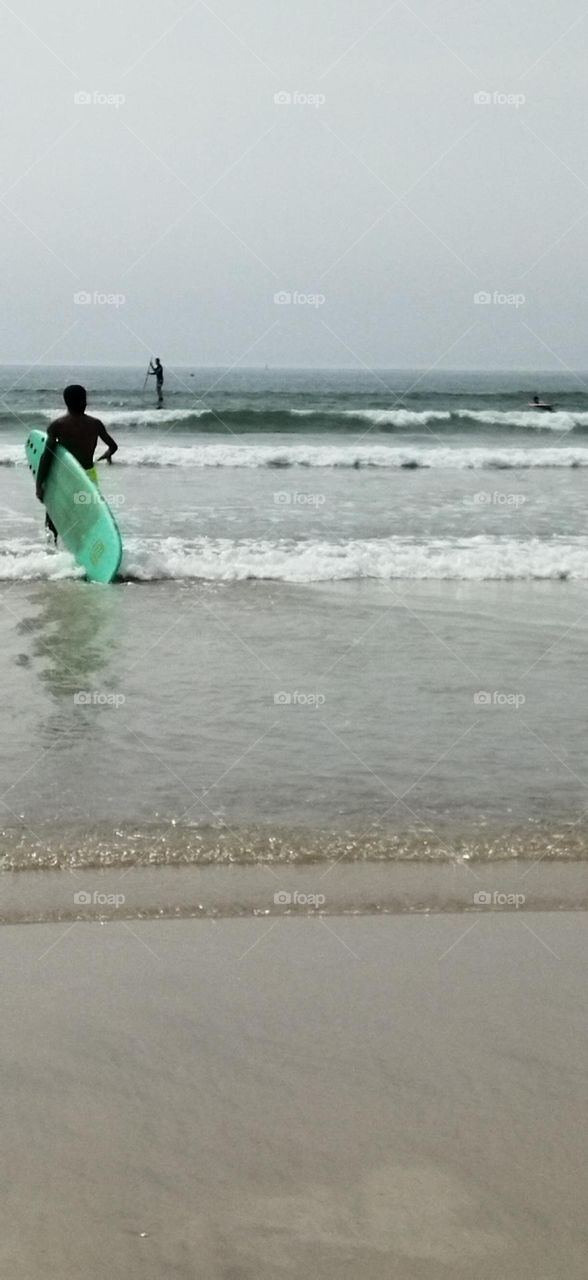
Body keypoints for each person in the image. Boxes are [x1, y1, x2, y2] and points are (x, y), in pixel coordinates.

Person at [36, 384, 118, 542]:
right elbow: (113, 446)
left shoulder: (58, 425)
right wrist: (107, 455)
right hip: (88, 476)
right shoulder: (95, 424)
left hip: (65, 476)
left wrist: (39, 485)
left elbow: (47, 457)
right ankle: (92, 546)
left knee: (54, 513)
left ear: (65, 402)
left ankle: (50, 547)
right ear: (85, 401)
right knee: (89, 513)